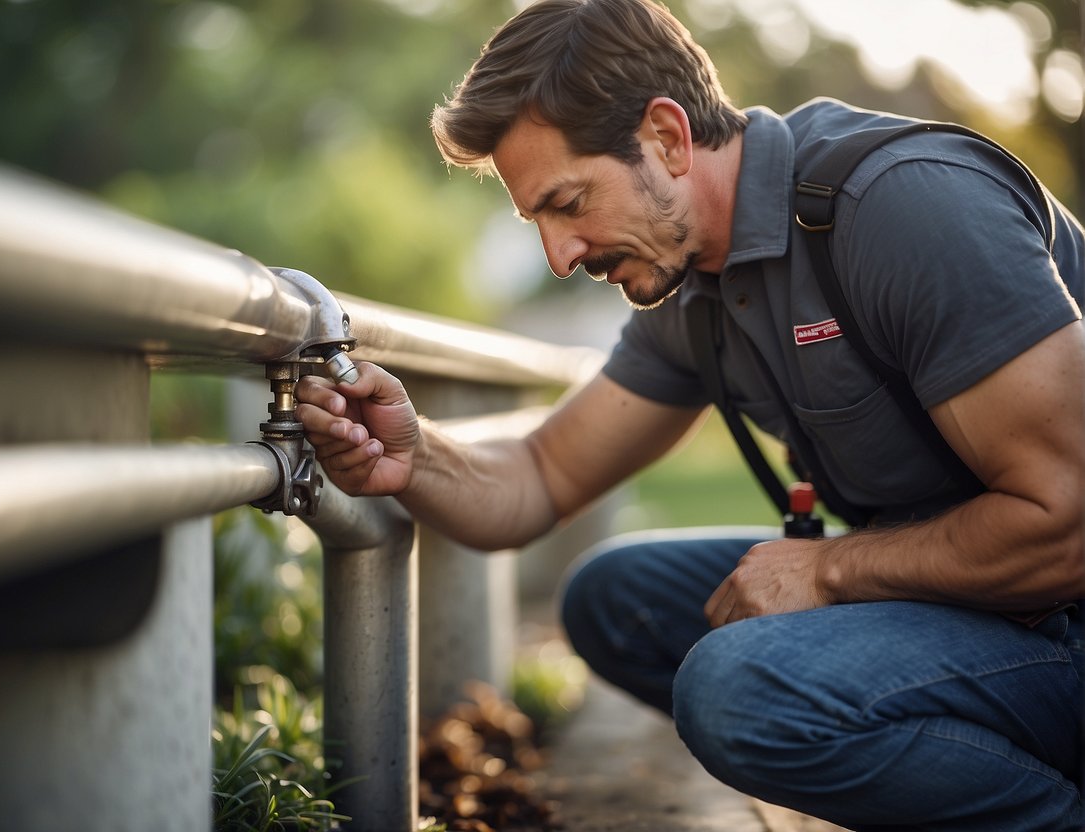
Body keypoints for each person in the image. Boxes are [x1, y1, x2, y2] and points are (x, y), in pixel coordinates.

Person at [295, 0, 1085, 828]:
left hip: (1061, 607)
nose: (559, 257)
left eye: (568, 204)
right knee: (614, 598)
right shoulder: (695, 287)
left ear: (667, 138)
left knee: (737, 690)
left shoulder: (903, 208)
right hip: (975, 597)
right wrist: (414, 458)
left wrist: (826, 571)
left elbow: (1066, 524)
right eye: (537, 222)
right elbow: (539, 474)